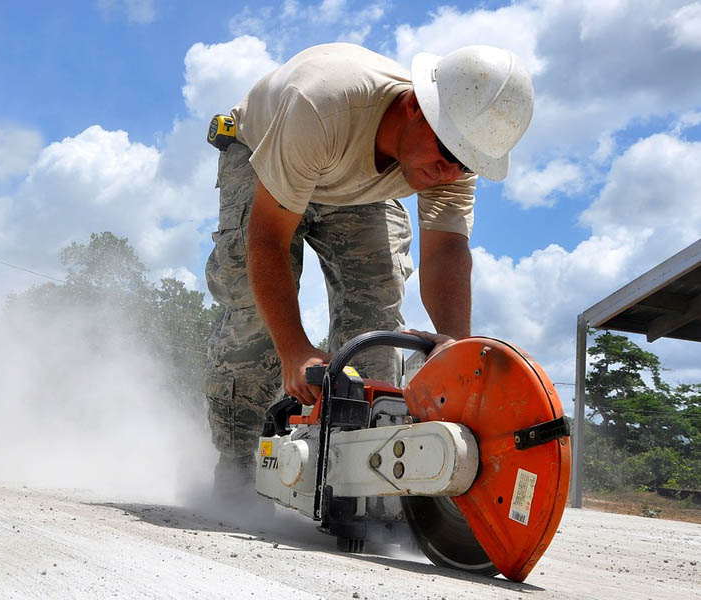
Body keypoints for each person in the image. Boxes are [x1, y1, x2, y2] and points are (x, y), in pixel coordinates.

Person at [204, 43, 534, 499]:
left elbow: (446, 250)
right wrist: (295, 350)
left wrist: (453, 347)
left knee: (376, 323)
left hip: (353, 184)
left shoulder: (455, 156)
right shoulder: (321, 105)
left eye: (464, 163)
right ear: (418, 106)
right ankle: (237, 467)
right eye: (445, 153)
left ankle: (354, 477)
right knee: (259, 317)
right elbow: (268, 240)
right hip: (266, 152)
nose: (448, 172)